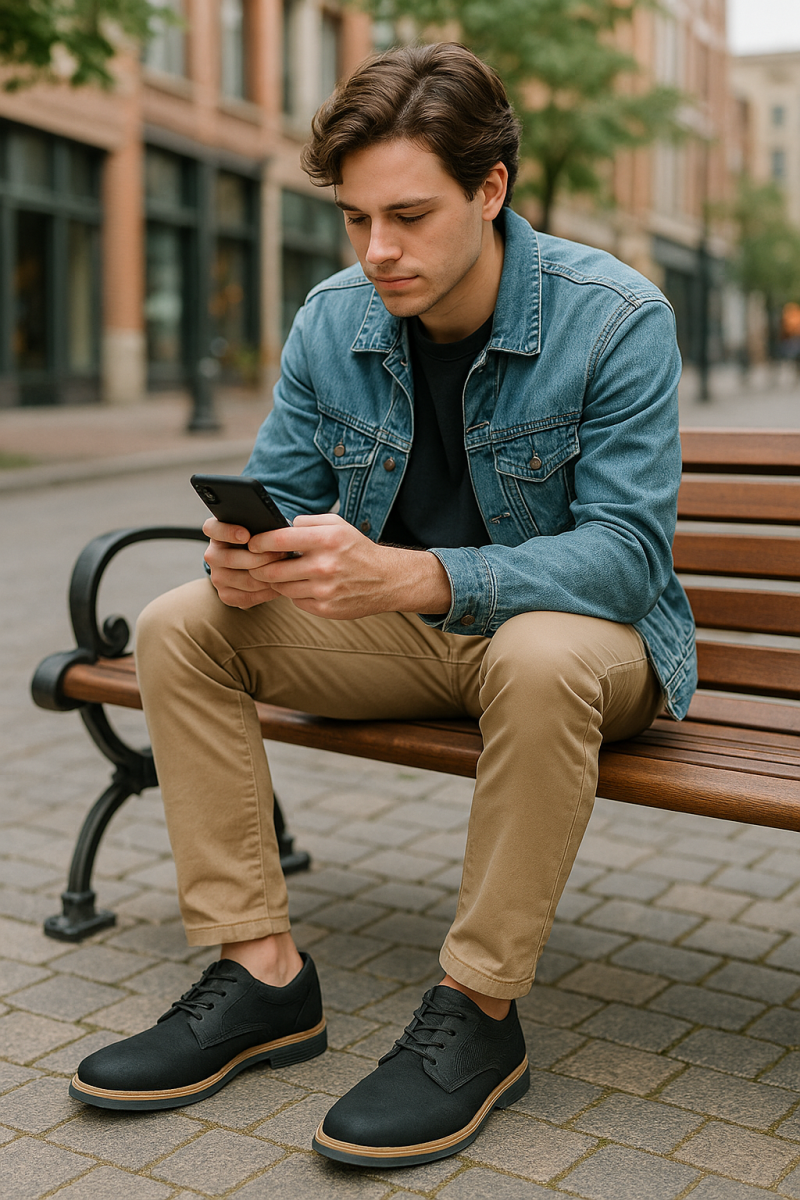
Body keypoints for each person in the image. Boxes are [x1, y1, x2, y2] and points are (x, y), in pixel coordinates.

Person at [68, 42, 696, 1168]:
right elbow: (287, 497)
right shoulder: (332, 320)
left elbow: (625, 558)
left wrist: (422, 575)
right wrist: (244, 560)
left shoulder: (615, 317)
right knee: (178, 624)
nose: (377, 251)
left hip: (585, 653)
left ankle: (477, 1012)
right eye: (356, 219)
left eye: (406, 215)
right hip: (410, 644)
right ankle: (260, 975)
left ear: (490, 189)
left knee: (540, 656)